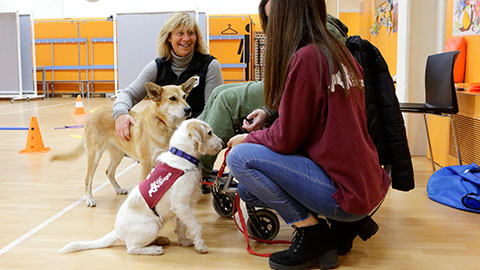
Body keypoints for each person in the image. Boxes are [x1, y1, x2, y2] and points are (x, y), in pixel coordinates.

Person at [225, 0, 391, 269]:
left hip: (345, 193)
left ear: (291, 18)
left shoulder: (306, 57)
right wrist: (271, 116)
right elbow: (316, 125)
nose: (271, 29)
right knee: (248, 190)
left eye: (274, 20)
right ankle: (331, 227)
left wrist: (248, 138)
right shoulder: (339, 52)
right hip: (364, 185)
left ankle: (313, 234)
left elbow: (285, 139)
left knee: (240, 158)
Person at [198, 11, 350, 181]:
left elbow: (305, 78)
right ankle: (189, 156)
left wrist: (268, 110)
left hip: (289, 86)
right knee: (220, 92)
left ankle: (198, 170)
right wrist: (267, 109)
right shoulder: (307, 25)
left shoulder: (320, 32)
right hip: (283, 83)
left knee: (226, 100)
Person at [113, 12, 224, 140]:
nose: (186, 38)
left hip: (196, 134)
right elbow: (128, 94)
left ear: (196, 37)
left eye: (191, 33)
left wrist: (186, 130)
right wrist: (120, 114)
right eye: (180, 33)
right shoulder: (157, 66)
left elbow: (212, 110)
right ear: (168, 38)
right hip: (165, 134)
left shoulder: (210, 65)